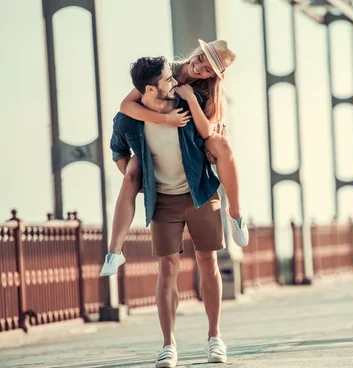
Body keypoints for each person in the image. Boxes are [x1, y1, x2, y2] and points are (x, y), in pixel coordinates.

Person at [110, 56, 229, 367]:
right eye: (168, 79)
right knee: (167, 269)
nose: (175, 81)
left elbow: (209, 133)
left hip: (201, 192)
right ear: (150, 88)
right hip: (163, 201)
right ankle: (168, 344)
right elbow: (117, 149)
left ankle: (215, 337)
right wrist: (135, 178)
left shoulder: (189, 103)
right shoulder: (128, 120)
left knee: (208, 260)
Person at [100, 39, 248, 277]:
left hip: (190, 148)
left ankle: (236, 213)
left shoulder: (205, 93)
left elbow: (206, 132)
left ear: (214, 76)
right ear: (197, 52)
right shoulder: (165, 72)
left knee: (221, 144)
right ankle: (114, 252)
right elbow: (126, 106)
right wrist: (167, 119)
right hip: (150, 143)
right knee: (130, 178)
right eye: (201, 58)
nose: (200, 67)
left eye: (208, 69)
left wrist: (190, 99)